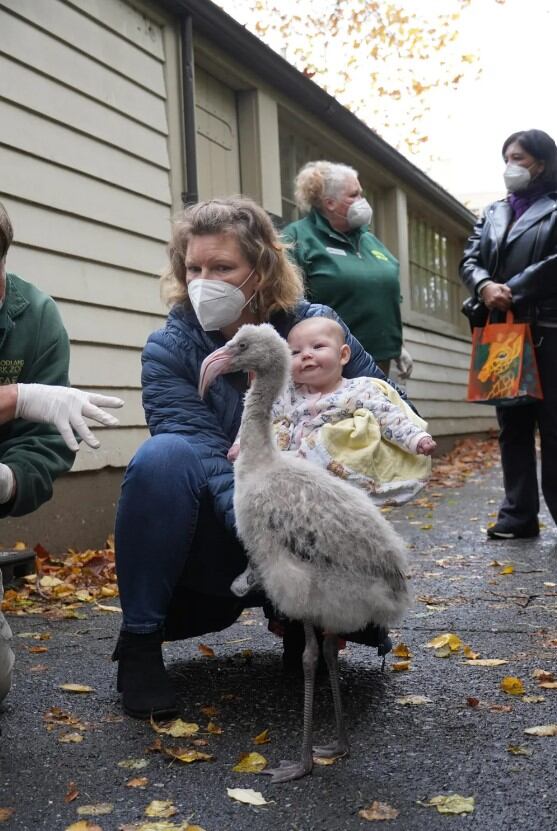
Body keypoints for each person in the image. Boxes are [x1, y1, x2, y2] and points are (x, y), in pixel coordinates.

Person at [113, 196, 417, 720]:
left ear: (262, 269)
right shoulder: (170, 349)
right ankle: (140, 646)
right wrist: (269, 545)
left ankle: (307, 625)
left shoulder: (315, 331)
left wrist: (340, 447)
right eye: (194, 268)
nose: (203, 280)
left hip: (310, 523)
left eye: (223, 267)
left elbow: (388, 406)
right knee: (163, 457)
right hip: (227, 527)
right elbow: (210, 460)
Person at [0, 202, 123, 705]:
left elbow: (45, 443)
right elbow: (24, 406)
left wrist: (9, 478)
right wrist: (15, 397)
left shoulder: (35, 314)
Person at [229, 316, 435, 598]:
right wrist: (241, 444)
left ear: (343, 355)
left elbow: (389, 416)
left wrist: (415, 439)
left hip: (333, 480)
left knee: (336, 534)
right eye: (296, 352)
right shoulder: (285, 395)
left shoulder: (358, 390)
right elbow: (256, 416)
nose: (307, 355)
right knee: (270, 526)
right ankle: (258, 566)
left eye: (317, 346)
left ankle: (361, 578)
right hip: (291, 483)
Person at [459, 129, 557, 540]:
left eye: (518, 157)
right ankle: (518, 516)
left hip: (549, 331)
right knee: (512, 424)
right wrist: (484, 286)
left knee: (553, 425)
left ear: (542, 162)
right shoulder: (493, 211)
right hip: (502, 332)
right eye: (506, 157)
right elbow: (470, 257)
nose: (510, 166)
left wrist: (512, 287)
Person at [282, 160, 413, 379]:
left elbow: (386, 295)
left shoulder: (370, 241)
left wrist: (397, 345)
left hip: (380, 360)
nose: (363, 202)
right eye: (354, 195)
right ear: (330, 203)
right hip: (331, 365)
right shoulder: (297, 239)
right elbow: (286, 304)